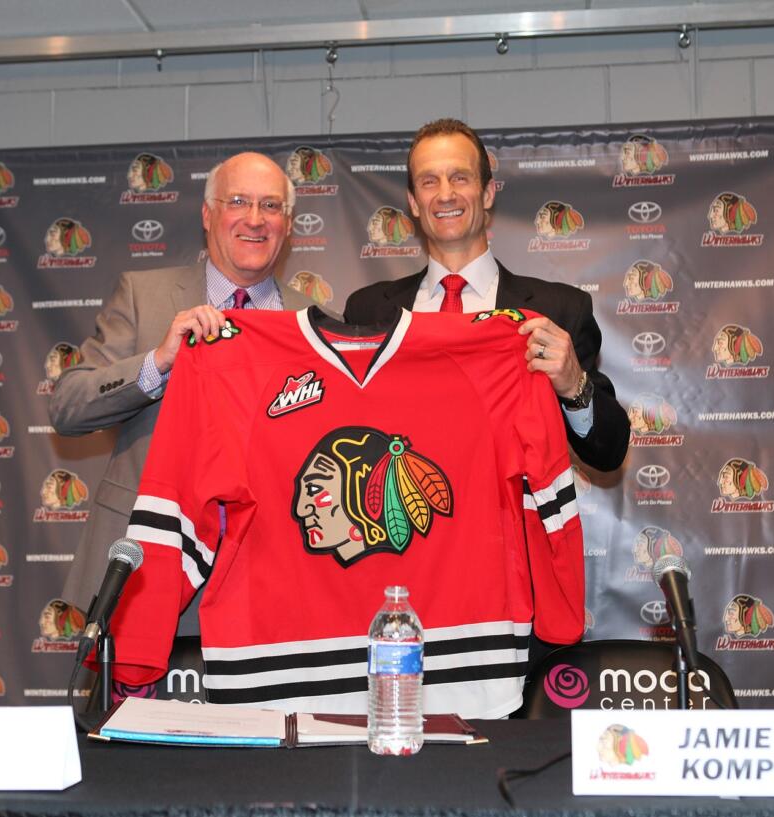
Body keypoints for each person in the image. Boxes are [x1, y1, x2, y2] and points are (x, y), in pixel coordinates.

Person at [50, 152, 314, 615]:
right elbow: (68, 407)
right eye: (238, 201)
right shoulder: (141, 295)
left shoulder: (317, 322)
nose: (255, 219)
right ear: (208, 214)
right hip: (147, 572)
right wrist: (158, 363)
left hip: (271, 579)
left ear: (288, 224)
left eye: (271, 206)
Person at [344, 118, 629, 474]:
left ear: (488, 192)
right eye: (429, 181)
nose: (445, 194)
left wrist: (574, 385)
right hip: (405, 522)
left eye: (459, 177)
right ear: (414, 203)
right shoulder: (366, 311)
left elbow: (609, 451)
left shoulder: (558, 309)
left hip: (510, 526)